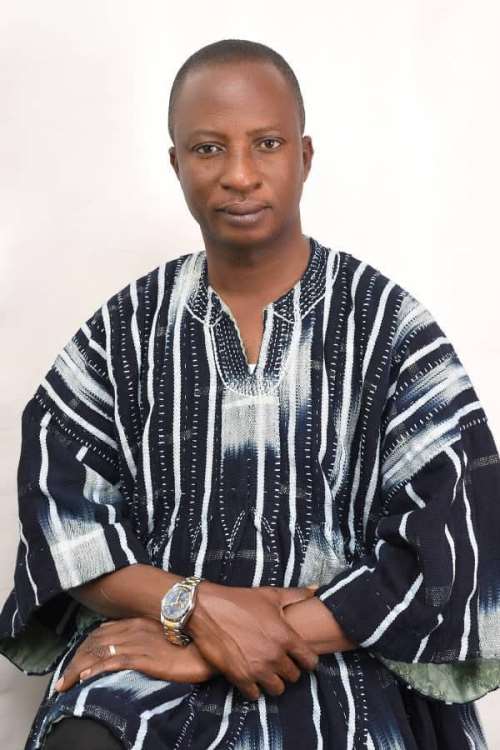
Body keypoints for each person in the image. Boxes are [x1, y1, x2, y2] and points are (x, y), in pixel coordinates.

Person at [1, 37, 499, 750]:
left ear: (305, 156)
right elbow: (64, 527)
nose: (239, 174)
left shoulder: (390, 330)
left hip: (345, 659)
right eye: (208, 149)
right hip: (154, 649)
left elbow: (458, 546)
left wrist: (239, 634)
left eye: (266, 143)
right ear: (176, 164)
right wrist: (192, 608)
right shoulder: (121, 333)